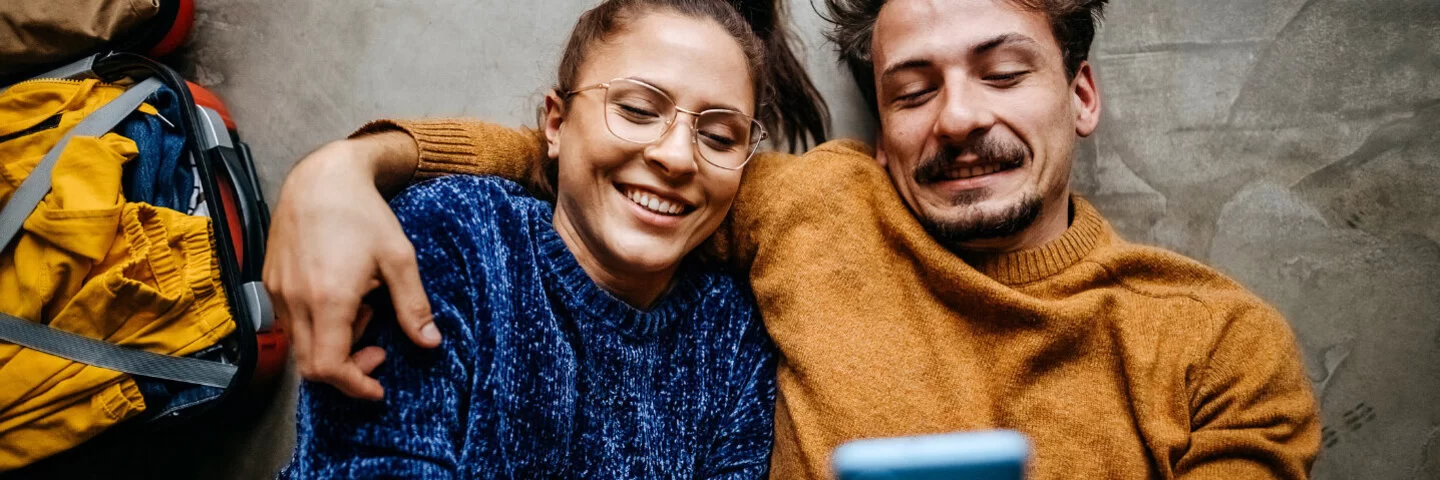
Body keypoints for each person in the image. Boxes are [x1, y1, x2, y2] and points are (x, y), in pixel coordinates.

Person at [267, 0, 1321, 478]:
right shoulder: (814, 206)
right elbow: (598, 162)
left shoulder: (1221, 347)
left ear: (1080, 93)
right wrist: (350, 167)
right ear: (886, 122)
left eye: (1002, 71)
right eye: (913, 90)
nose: (955, 118)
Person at [278, 0, 831, 477]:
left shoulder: (731, 337)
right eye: (637, 111)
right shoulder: (456, 238)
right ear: (555, 125)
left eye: (717, 135)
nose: (677, 156)